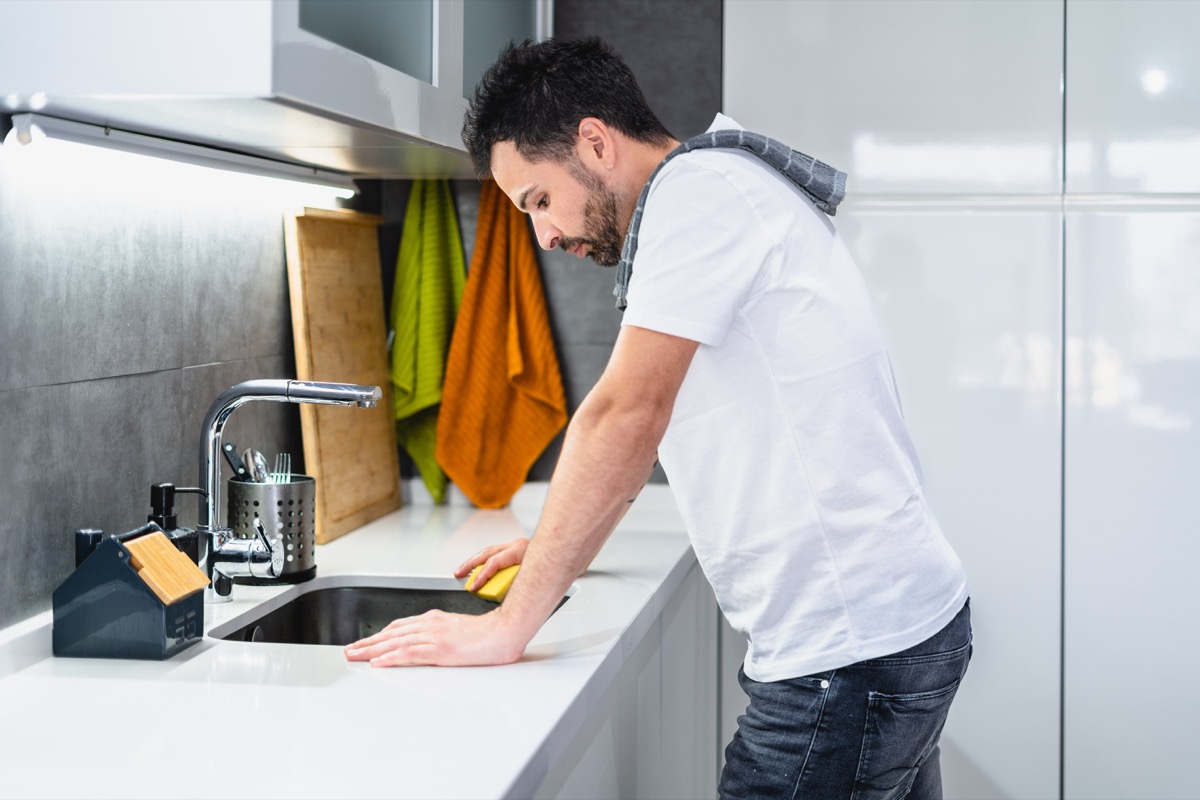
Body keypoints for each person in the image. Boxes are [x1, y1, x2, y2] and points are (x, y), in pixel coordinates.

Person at [344, 37, 972, 799]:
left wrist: (504, 628)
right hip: (890, 632)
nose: (543, 235)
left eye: (538, 200)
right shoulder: (712, 193)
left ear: (595, 142)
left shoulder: (697, 193)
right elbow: (655, 423)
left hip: (848, 657)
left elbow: (624, 417)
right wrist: (553, 544)